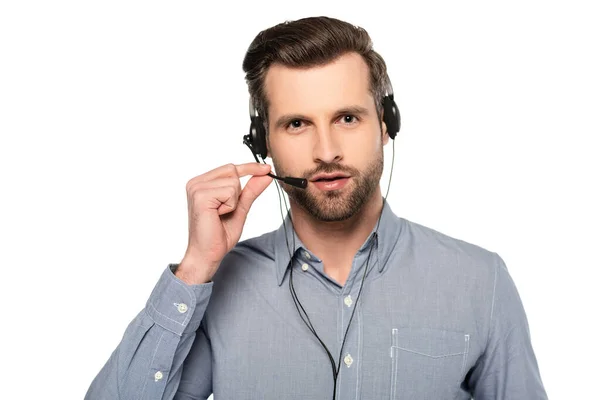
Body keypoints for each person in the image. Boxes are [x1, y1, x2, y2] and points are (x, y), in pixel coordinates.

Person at [85, 16, 547, 400]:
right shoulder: (217, 287)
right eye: (297, 124)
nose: (327, 150)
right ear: (263, 142)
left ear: (386, 124)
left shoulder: (480, 282)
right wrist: (194, 270)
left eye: (347, 118)